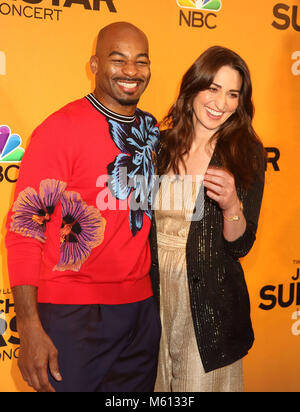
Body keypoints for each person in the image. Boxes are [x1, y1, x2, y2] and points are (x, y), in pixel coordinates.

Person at [5, 22, 161, 393]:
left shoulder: (151, 130)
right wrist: (28, 325)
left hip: (140, 313)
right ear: (94, 64)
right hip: (73, 316)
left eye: (141, 61)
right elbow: (25, 230)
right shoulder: (60, 129)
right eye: (118, 59)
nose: (131, 71)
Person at [150, 46, 265, 392]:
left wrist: (231, 204)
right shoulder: (161, 145)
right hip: (152, 300)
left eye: (233, 94)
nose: (221, 103)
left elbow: (241, 244)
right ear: (194, 88)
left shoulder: (245, 152)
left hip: (210, 305)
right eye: (213, 88)